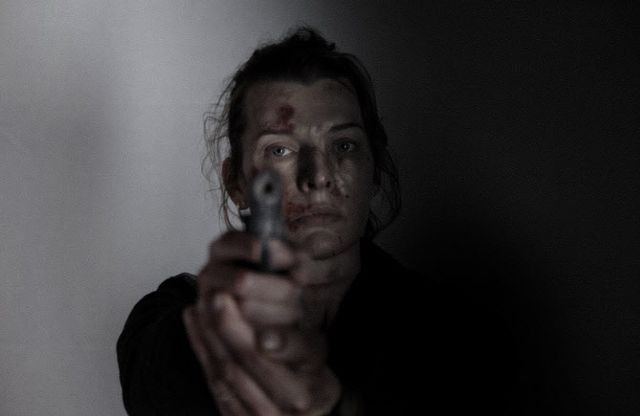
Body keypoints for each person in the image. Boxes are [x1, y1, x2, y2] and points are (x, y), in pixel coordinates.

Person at [117, 26, 509, 415]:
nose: (318, 176)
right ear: (236, 182)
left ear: (374, 170)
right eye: (280, 150)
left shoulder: (453, 332)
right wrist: (217, 327)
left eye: (344, 145)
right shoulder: (171, 319)